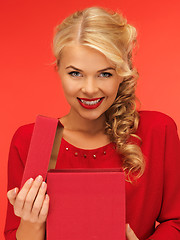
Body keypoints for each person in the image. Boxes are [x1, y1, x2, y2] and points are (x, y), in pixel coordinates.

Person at [4, 6, 180, 240]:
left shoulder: (158, 130)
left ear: (122, 73)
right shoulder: (31, 140)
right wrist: (31, 221)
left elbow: (176, 221)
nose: (89, 89)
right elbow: (16, 234)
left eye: (105, 74)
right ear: (58, 70)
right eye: (75, 73)